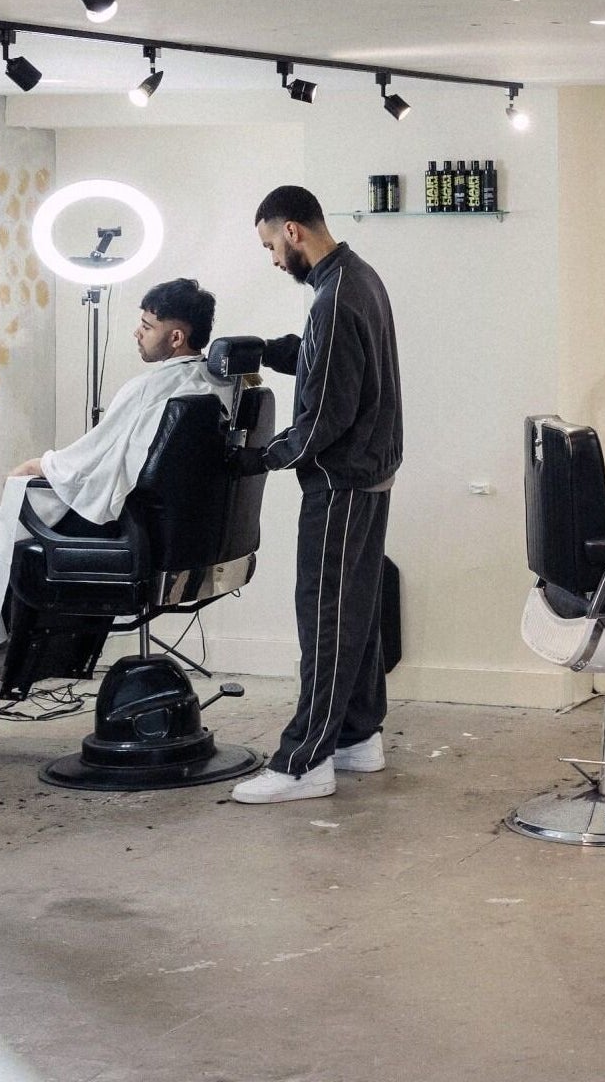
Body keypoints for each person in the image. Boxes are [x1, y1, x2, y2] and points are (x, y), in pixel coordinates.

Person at [0, 278, 230, 682]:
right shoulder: (215, 388)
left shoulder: (151, 389)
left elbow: (92, 457)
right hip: (176, 533)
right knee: (5, 522)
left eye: (147, 326)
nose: (137, 332)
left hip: (127, 526)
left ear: (176, 337)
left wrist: (40, 464)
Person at [229, 186, 402, 805]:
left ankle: (305, 761)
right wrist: (271, 352)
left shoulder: (333, 298)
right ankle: (358, 736)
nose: (273, 259)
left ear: (294, 231)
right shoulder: (359, 278)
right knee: (354, 608)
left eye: (271, 245)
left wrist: (254, 460)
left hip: (339, 482)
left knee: (325, 614)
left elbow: (325, 414)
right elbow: (333, 364)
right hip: (368, 478)